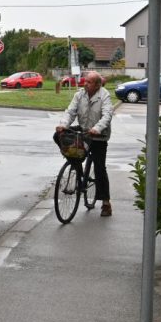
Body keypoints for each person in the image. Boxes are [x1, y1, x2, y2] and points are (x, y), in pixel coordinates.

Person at [55, 71, 115, 216]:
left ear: (97, 85)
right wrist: (63, 125)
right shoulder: (80, 94)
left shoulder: (104, 95)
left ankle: (106, 203)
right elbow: (70, 112)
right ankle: (75, 164)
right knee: (58, 135)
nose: (85, 84)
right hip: (84, 130)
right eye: (85, 81)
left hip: (98, 135)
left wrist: (97, 128)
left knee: (99, 168)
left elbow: (107, 115)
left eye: (89, 82)